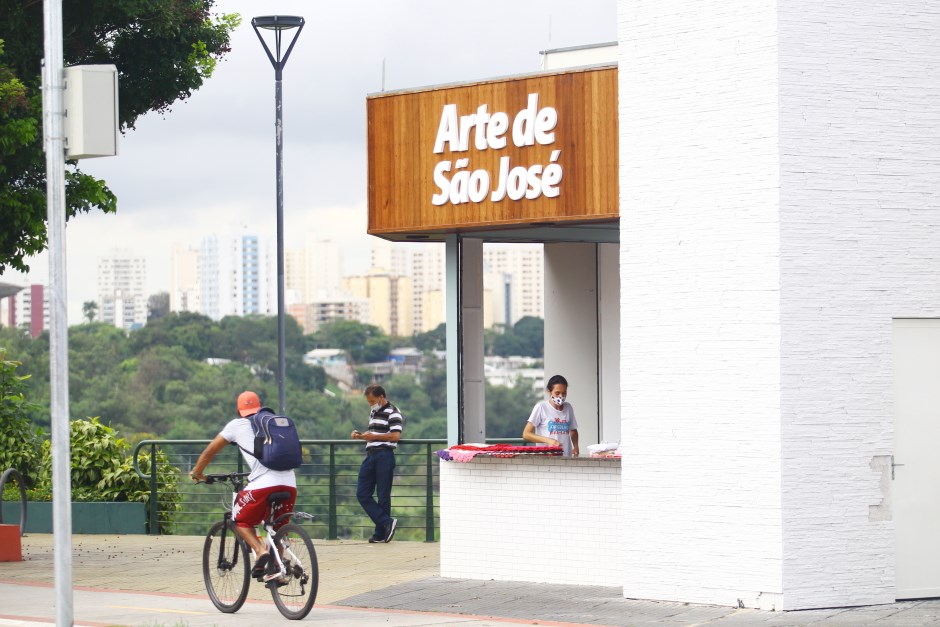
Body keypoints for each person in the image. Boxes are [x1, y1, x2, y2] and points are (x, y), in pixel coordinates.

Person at [190, 390, 297, 581]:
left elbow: (210, 450)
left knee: (239, 520)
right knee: (278, 528)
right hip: (290, 483)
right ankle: (278, 571)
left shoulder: (236, 425)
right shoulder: (272, 423)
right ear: (260, 406)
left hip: (264, 484)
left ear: (239, 410)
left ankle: (260, 551)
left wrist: (197, 472)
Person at [351, 384, 403, 543]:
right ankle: (386, 523)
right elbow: (375, 434)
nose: (370, 404)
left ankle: (381, 533)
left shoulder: (393, 412)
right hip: (371, 454)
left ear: (381, 397)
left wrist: (373, 436)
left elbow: (395, 436)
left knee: (383, 495)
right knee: (362, 493)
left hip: (384, 455)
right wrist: (360, 436)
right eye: (369, 401)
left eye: (372, 400)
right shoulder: (374, 411)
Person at [522, 374, 579, 457]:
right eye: (557, 393)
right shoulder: (541, 407)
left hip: (566, 456)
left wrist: (576, 447)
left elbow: (573, 430)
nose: (561, 396)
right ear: (549, 391)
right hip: (547, 457)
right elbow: (526, 434)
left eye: (564, 393)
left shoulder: (568, 407)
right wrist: (548, 440)